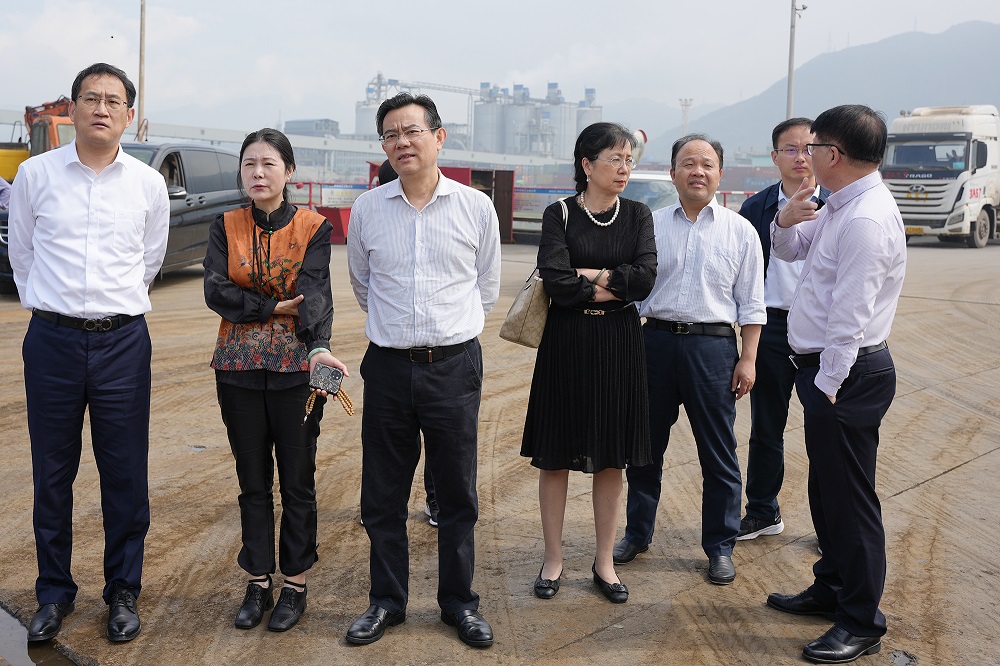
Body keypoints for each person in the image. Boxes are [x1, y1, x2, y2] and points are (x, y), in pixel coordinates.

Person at [7, 62, 169, 643]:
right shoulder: (35, 175)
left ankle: (123, 591)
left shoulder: (147, 184)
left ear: (129, 114)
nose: (102, 108)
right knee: (52, 472)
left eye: (113, 100)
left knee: (124, 471)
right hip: (51, 341)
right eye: (91, 98)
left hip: (122, 343)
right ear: (72, 108)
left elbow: (149, 262)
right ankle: (53, 592)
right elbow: (22, 255)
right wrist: (54, 308)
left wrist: (108, 309)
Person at [346, 93, 501, 648]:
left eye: (412, 131)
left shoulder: (475, 207)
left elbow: (486, 287)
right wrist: (401, 331)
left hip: (453, 366)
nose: (402, 142)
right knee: (382, 494)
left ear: (439, 137)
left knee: (457, 493)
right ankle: (386, 602)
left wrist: (445, 333)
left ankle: (459, 603)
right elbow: (363, 285)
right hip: (388, 367)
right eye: (390, 134)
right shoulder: (368, 210)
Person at [766, 105, 906, 664]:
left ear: (835, 154)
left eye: (813, 146)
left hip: (845, 375)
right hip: (829, 373)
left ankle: (861, 621)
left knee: (850, 500)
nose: (805, 156)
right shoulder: (839, 204)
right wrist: (785, 219)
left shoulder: (865, 219)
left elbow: (850, 316)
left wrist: (826, 386)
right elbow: (789, 251)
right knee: (827, 491)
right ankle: (832, 587)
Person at [203, 128, 347, 633]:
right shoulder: (225, 225)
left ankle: (295, 584)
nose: (258, 173)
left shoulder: (313, 227)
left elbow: (313, 293)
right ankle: (258, 580)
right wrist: (272, 307)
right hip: (237, 369)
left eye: (268, 164)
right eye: (249, 164)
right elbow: (216, 291)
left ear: (288, 171)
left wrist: (318, 346)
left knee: (298, 479)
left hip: (295, 371)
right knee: (252, 480)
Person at [615, 134, 765, 586]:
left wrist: (748, 359)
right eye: (688, 163)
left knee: (719, 453)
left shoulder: (740, 231)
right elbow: (631, 293)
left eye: (707, 164)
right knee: (644, 449)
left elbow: (752, 303)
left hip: (713, 350)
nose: (697, 171)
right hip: (654, 345)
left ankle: (720, 546)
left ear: (720, 173)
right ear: (672, 172)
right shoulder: (649, 225)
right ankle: (637, 533)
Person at [521, 122, 656, 604]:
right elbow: (556, 282)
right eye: (615, 159)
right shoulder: (558, 214)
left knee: (612, 456)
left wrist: (589, 276)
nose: (624, 168)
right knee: (555, 453)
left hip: (619, 342)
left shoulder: (638, 214)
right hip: (567, 342)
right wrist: (611, 281)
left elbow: (645, 279)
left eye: (628, 160)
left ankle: (604, 562)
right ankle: (553, 559)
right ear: (587, 164)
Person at [736, 118, 828, 541]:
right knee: (766, 427)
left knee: (825, 430)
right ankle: (762, 511)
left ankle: (830, 527)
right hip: (771, 327)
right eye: (790, 149)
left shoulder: (837, 205)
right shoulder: (755, 209)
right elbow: (743, 274)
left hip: (821, 330)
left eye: (809, 148)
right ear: (774, 157)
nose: (800, 157)